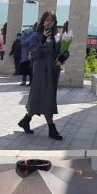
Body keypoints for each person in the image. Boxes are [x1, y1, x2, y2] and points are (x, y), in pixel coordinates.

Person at [17, 11, 68, 140]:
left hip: (52, 70)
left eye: (52, 20)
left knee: (41, 97)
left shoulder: (56, 37)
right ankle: (52, 129)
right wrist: (43, 39)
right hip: (40, 69)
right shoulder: (36, 35)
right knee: (47, 97)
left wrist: (62, 57)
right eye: (47, 20)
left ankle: (26, 120)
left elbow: (64, 51)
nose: (49, 22)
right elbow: (33, 53)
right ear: (42, 21)